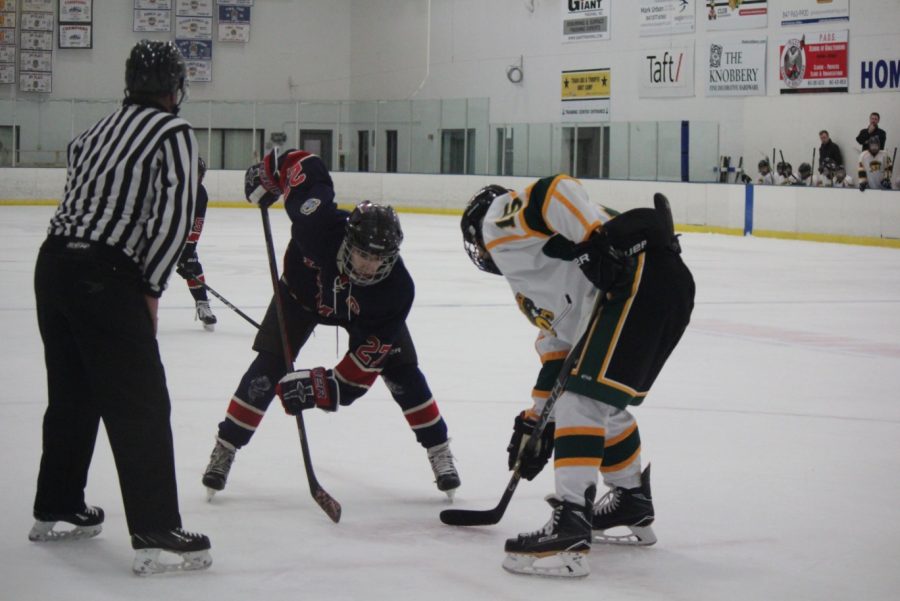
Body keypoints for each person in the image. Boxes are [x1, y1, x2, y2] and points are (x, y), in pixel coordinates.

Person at [30, 40, 211, 574]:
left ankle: (58, 504)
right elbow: (175, 217)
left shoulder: (90, 134)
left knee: (72, 395)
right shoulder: (174, 132)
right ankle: (156, 527)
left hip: (54, 265)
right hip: (106, 277)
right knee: (141, 404)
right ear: (175, 89)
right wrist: (151, 287)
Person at [460, 176, 694, 577]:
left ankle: (570, 526)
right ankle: (631, 499)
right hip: (664, 285)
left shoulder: (497, 223)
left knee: (581, 402)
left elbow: (555, 190)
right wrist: (537, 420)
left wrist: (594, 241)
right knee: (597, 398)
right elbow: (561, 352)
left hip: (639, 277)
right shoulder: (531, 285)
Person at [201, 148, 461, 500]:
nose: (370, 266)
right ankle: (226, 446)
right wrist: (268, 173)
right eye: (363, 254)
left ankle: (439, 451)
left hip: (361, 316)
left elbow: (357, 375)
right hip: (298, 299)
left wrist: (316, 386)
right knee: (267, 368)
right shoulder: (316, 224)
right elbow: (305, 163)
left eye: (379, 258)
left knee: (403, 374)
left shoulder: (396, 292)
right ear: (348, 242)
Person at [175, 156, 218, 330]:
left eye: (199, 174)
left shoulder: (201, 194)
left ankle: (202, 305)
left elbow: (197, 223)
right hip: (156, 235)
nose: (196, 178)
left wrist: (188, 250)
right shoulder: (169, 189)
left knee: (193, 265)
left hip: (180, 236)